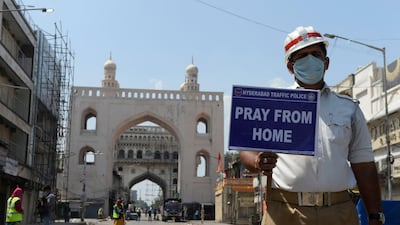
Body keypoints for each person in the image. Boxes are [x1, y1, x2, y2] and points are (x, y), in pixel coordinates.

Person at [240, 26, 384, 225]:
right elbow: (246, 148)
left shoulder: (348, 108)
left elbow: (364, 164)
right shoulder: (274, 105)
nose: (310, 60)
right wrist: (258, 161)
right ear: (290, 67)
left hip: (339, 212)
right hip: (284, 212)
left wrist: (375, 215)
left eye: (315, 54)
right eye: (301, 56)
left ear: (326, 62)